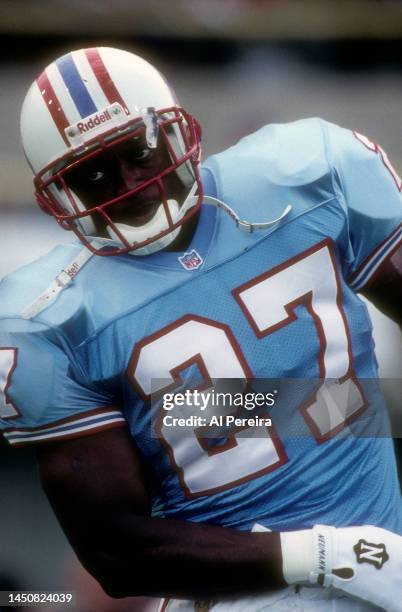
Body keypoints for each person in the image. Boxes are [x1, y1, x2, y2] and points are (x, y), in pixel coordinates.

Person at [0, 46, 402, 612]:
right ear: (59, 193)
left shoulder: (309, 173)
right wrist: (328, 554)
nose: (129, 184)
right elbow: (116, 551)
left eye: (138, 151)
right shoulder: (48, 318)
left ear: (172, 129)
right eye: (91, 175)